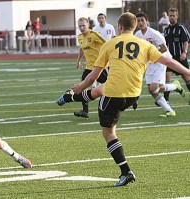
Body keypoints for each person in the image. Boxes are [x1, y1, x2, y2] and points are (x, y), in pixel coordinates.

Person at [71, 12, 190, 187]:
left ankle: (126, 172)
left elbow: (93, 76)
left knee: (108, 132)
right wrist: (187, 72)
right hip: (134, 94)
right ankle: (71, 99)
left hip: (113, 93)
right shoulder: (144, 44)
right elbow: (168, 62)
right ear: (134, 28)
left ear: (119, 27)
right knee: (104, 97)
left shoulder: (110, 44)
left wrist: (80, 87)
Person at [135, 12, 185, 117]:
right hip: (150, 63)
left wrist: (151, 55)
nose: (140, 23)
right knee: (154, 90)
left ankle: (174, 87)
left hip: (160, 61)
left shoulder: (154, 33)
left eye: (142, 20)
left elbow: (164, 48)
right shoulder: (137, 35)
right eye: (138, 21)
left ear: (146, 21)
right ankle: (170, 110)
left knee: (154, 89)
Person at [72, 17, 106, 119]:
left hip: (100, 67)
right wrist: (78, 61)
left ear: (88, 25)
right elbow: (82, 49)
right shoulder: (80, 37)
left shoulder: (94, 35)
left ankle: (129, 99)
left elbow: (107, 44)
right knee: (82, 86)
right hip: (89, 68)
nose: (82, 28)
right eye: (80, 26)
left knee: (111, 87)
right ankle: (85, 111)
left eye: (84, 25)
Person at [163, 8, 190, 104]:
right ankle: (166, 100)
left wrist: (184, 52)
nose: (171, 17)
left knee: (186, 78)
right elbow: (164, 44)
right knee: (167, 77)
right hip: (169, 58)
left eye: (173, 15)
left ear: (177, 16)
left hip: (180, 57)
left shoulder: (181, 28)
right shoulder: (166, 30)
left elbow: (186, 40)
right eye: (170, 15)